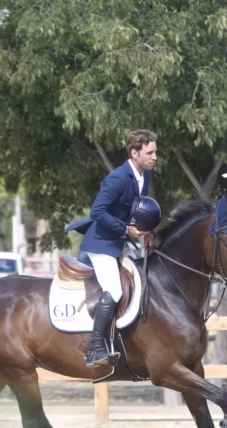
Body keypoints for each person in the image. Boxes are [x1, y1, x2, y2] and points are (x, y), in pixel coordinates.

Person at [65, 130, 160, 368]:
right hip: (101, 244)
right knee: (115, 291)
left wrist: (148, 232)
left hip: (119, 243)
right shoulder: (117, 178)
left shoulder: (143, 177)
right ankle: (95, 349)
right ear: (134, 153)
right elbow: (97, 212)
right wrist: (126, 230)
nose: (155, 157)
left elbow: (138, 212)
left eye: (155, 152)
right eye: (150, 153)